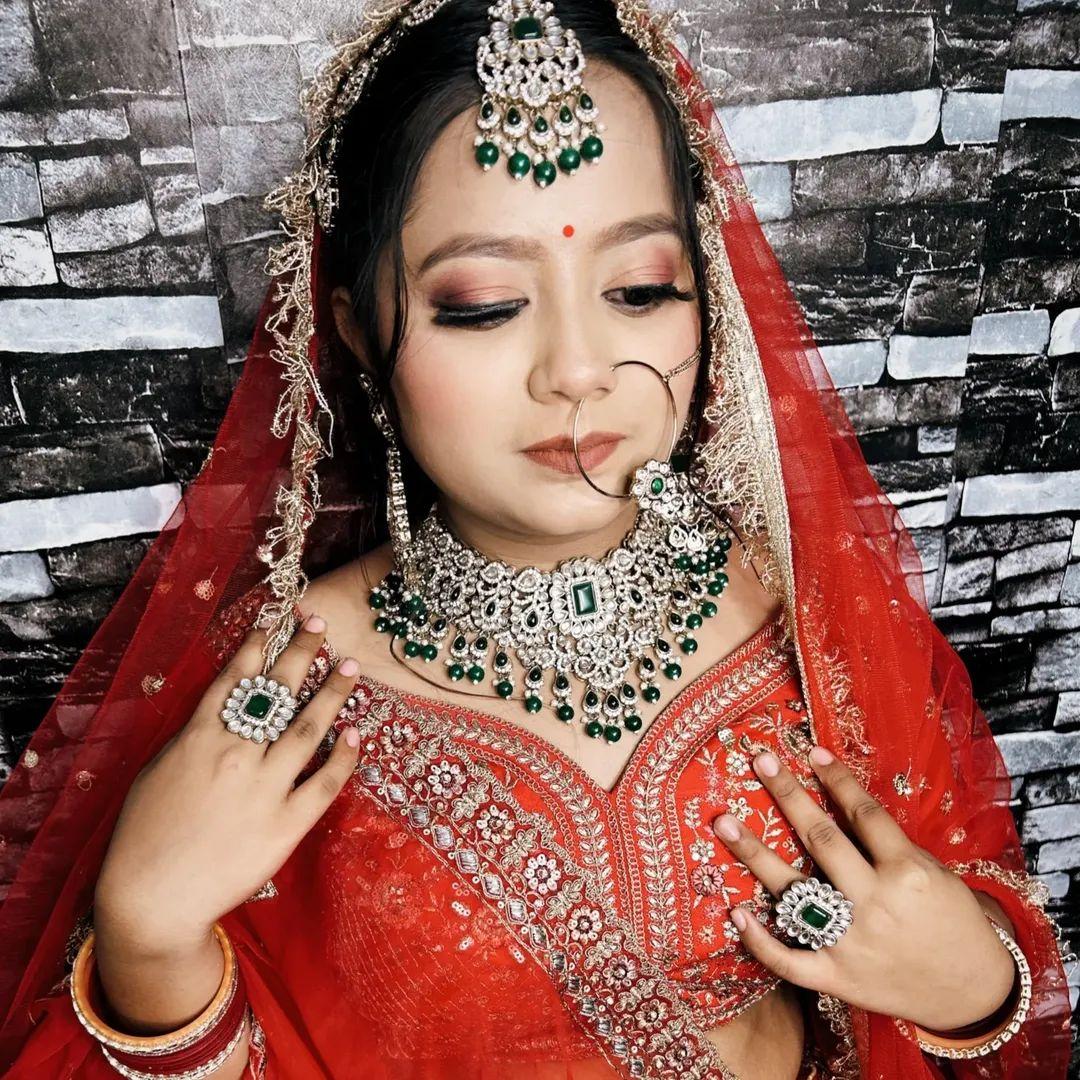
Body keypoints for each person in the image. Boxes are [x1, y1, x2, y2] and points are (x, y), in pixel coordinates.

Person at [0, 0, 1072, 1077]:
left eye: (640, 289)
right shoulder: (282, 688)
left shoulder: (813, 615)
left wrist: (971, 986)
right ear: (358, 329)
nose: (578, 370)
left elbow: (971, 926)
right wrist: (147, 940)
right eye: (482, 304)